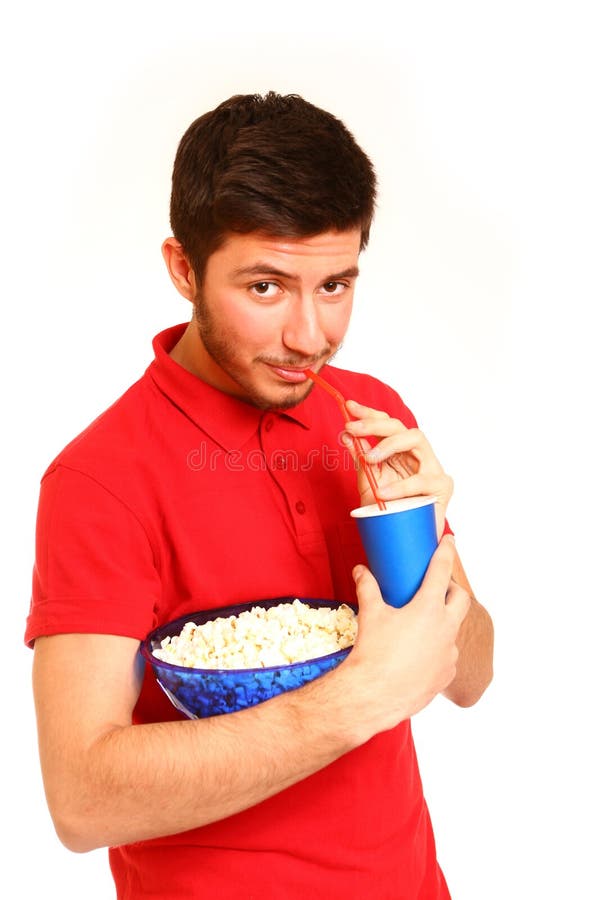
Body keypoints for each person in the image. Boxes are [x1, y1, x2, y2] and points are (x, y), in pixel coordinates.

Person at [26, 92, 494, 899]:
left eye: (337, 284)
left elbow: (470, 676)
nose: (311, 336)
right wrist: (353, 701)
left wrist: (418, 536)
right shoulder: (98, 481)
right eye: (267, 287)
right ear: (184, 269)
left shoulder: (367, 415)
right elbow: (82, 799)